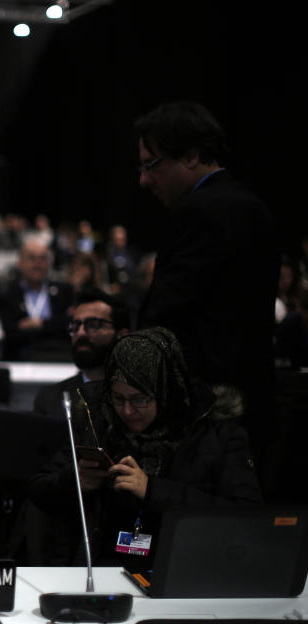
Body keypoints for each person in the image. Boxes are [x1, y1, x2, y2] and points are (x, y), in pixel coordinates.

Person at [28, 328, 262, 569]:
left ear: (166, 391)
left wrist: (152, 491)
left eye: (140, 399)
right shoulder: (97, 419)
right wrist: (74, 481)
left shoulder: (217, 433)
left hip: (185, 569)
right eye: (119, 399)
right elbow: (39, 489)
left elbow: (245, 517)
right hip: (102, 566)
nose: (128, 411)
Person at [134, 102, 278, 477]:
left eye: (151, 165)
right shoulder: (251, 206)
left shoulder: (203, 211)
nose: (144, 180)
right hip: (247, 404)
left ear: (193, 156)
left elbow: (167, 314)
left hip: (207, 417)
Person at [33, 289, 130, 420]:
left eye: (94, 325)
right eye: (76, 326)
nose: (81, 333)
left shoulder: (138, 397)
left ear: (122, 335)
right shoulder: (51, 399)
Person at [0, 235, 73, 360]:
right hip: (19, 360)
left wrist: (39, 324)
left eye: (43, 258)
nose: (38, 263)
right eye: (32, 258)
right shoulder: (8, 294)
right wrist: (52, 326)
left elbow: (68, 327)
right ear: (20, 263)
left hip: (58, 357)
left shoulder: (64, 291)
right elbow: (11, 334)